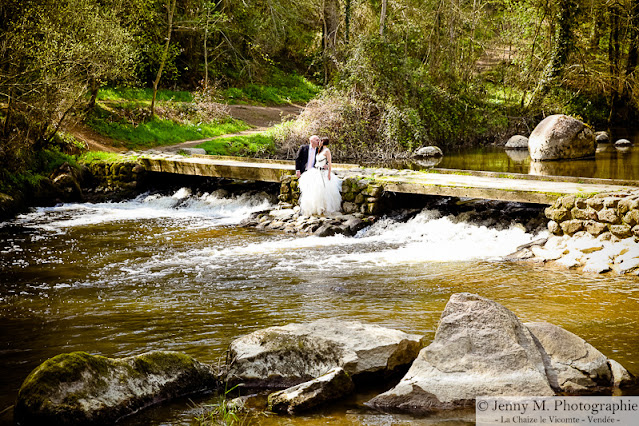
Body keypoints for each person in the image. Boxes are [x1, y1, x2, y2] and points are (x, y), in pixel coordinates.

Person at [298, 136, 342, 216]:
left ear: (323, 142)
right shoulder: (318, 150)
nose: (319, 142)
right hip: (315, 171)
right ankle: (309, 208)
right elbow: (299, 159)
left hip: (322, 172)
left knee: (323, 191)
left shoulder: (326, 150)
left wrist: (328, 170)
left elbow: (329, 162)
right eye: (317, 140)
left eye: (320, 140)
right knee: (311, 190)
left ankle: (323, 208)